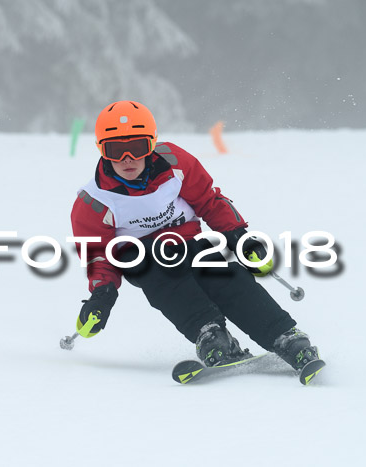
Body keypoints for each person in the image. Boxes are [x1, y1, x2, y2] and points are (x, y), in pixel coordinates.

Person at [70, 100, 322, 379]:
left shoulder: (175, 164)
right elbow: (98, 255)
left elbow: (209, 201)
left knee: (224, 275)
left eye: (138, 147)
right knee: (160, 274)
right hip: (141, 257)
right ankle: (210, 333)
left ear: (151, 144)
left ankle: (284, 335)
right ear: (101, 149)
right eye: (116, 150)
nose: (127, 158)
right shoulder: (93, 202)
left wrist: (239, 237)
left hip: (189, 244)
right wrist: (102, 295)